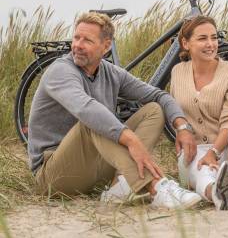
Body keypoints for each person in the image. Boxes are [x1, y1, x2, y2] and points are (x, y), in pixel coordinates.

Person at [27, 12, 201, 209]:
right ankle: (155, 187)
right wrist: (130, 139)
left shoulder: (111, 72)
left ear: (106, 45)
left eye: (87, 40)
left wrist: (182, 126)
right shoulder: (60, 71)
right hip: (53, 176)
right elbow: (87, 109)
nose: (77, 45)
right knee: (95, 120)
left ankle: (121, 186)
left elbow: (159, 96)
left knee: (153, 110)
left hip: (94, 166)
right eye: (76, 37)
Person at [170, 16, 228, 210]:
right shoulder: (177, 72)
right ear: (186, 43)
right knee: (201, 170)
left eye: (214, 38)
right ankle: (219, 193)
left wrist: (215, 152)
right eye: (203, 38)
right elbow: (174, 110)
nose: (211, 44)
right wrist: (180, 130)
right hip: (196, 150)